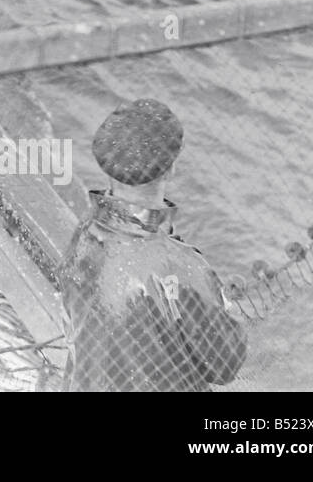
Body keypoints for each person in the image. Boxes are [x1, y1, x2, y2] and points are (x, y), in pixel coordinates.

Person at [58, 99, 248, 391]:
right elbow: (224, 365)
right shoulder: (182, 267)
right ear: (171, 169)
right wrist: (226, 307)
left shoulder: (84, 235)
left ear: (109, 168)